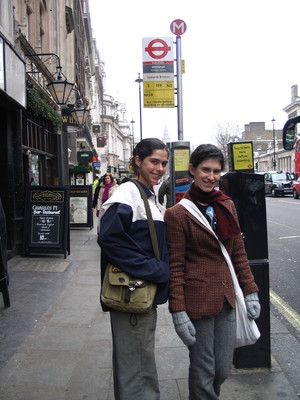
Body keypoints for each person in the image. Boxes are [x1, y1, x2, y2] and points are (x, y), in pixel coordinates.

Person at [164, 144, 261, 400]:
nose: (211, 176)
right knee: (203, 369)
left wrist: (251, 291)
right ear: (192, 170)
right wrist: (178, 312)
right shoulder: (177, 214)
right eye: (205, 170)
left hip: (227, 299)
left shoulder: (226, 204)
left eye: (216, 171)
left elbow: (238, 253)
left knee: (221, 370)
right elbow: (175, 267)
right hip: (197, 302)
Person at [98, 138, 170, 400]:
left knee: (135, 365)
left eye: (163, 163)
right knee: (138, 371)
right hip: (133, 294)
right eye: (154, 162)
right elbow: (109, 238)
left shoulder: (145, 194)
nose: (160, 168)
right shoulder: (128, 194)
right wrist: (156, 269)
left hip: (140, 294)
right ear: (137, 161)